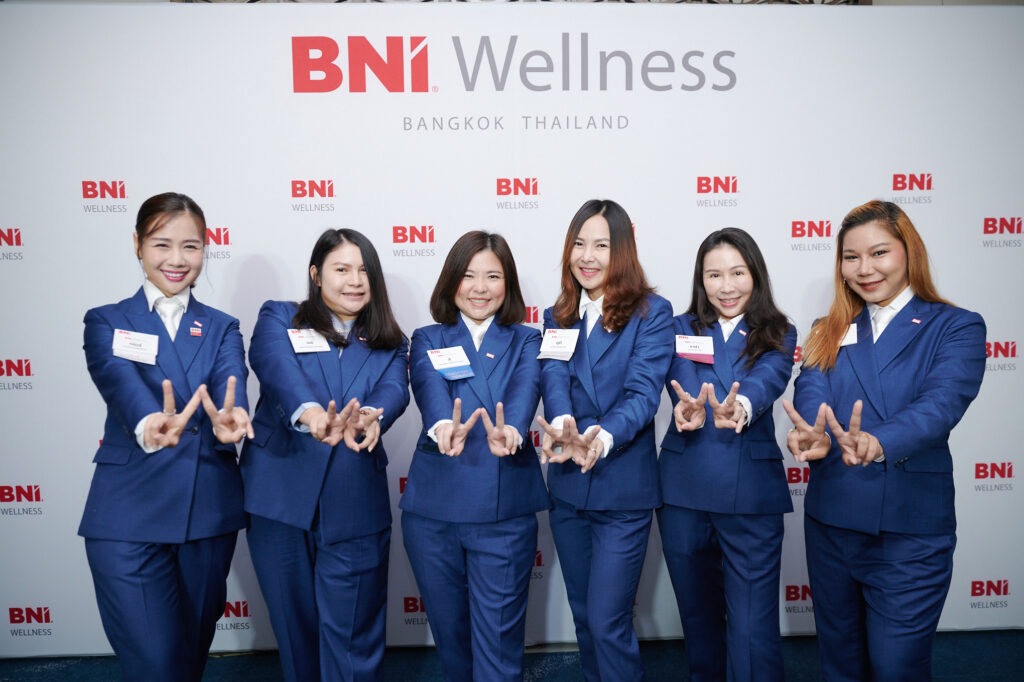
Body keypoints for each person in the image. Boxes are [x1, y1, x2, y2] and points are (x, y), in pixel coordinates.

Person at [782, 200, 986, 681]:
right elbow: (812, 389)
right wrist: (815, 429)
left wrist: (879, 441)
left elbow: (941, 404)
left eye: (878, 253)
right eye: (851, 257)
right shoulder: (827, 329)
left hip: (908, 529)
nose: (864, 269)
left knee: (897, 667)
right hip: (832, 522)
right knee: (840, 663)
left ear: (908, 251)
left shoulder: (955, 325)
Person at [79, 192, 254, 682]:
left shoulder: (222, 327)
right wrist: (147, 423)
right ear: (137, 244)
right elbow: (117, 381)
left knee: (188, 659)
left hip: (206, 509)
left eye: (190, 246)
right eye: (161, 244)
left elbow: (230, 381)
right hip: (127, 512)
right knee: (156, 664)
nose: (176, 259)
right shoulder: (107, 320)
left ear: (205, 249)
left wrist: (230, 417)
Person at [242, 228, 409, 682]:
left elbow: (394, 390)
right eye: (341, 269)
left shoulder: (392, 342)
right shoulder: (280, 317)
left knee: (353, 641)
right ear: (316, 275)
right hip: (279, 499)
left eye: (364, 271)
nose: (354, 281)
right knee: (295, 635)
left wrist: (373, 415)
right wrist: (310, 412)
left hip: (355, 501)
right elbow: (275, 366)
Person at [402, 230, 548, 682]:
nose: (480, 288)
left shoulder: (526, 339)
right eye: (468, 275)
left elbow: (525, 388)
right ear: (451, 281)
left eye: (493, 276)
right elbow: (429, 389)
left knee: (499, 646)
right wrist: (443, 427)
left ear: (508, 284)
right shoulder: (427, 337)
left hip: (504, 511)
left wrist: (513, 429)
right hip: (434, 511)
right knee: (453, 643)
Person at [537, 199, 672, 682]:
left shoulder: (652, 313)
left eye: (601, 245)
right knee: (584, 616)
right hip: (569, 486)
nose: (587, 256)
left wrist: (601, 437)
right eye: (579, 244)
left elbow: (643, 394)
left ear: (623, 252)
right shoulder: (558, 314)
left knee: (608, 621)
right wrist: (564, 425)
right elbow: (553, 376)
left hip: (622, 486)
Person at [658, 227, 796, 682]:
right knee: (698, 621)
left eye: (737, 273)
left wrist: (741, 406)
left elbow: (768, 378)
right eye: (714, 274)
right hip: (683, 490)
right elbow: (681, 378)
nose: (726, 286)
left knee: (753, 628)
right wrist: (688, 406)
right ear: (701, 279)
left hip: (752, 496)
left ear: (755, 275)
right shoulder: (679, 328)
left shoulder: (779, 331)